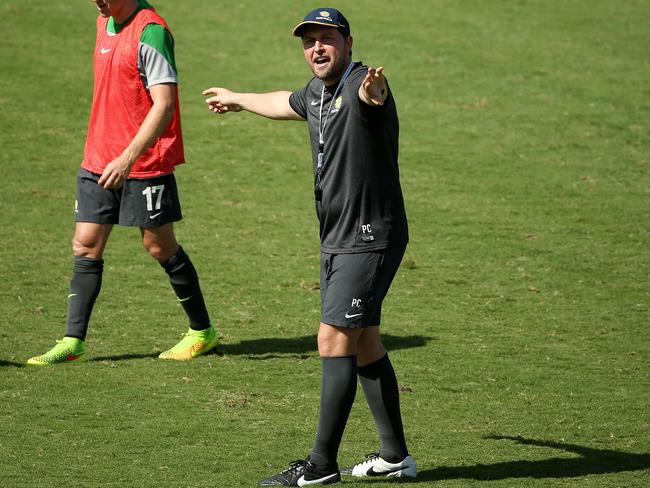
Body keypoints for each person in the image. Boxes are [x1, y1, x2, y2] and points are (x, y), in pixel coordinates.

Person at [203, 7, 416, 485]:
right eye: (309, 41)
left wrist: (374, 90)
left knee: (332, 338)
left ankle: (320, 467)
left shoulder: (361, 84)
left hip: (368, 235)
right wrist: (238, 98)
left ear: (348, 43)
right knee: (364, 342)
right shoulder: (317, 93)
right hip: (338, 235)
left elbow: (372, 97)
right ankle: (394, 456)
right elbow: (286, 100)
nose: (317, 48)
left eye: (327, 39)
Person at [27, 0, 217, 365]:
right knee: (85, 245)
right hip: (98, 156)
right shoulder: (104, 21)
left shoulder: (152, 33)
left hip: (144, 162)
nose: (96, 0)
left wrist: (127, 158)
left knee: (159, 246)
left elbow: (163, 105)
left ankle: (201, 332)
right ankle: (73, 341)